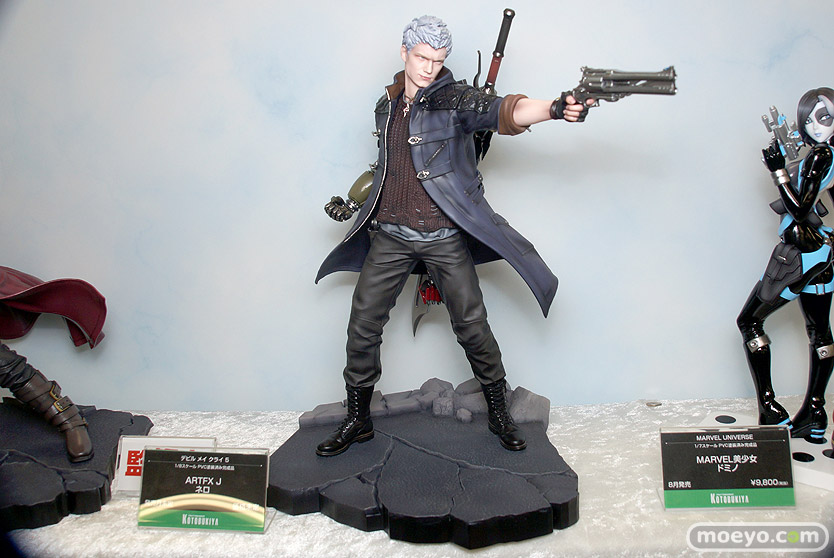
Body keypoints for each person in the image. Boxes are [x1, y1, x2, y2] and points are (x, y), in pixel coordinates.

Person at [315, 15, 591, 456]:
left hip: (443, 234)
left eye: (438, 59)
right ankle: (358, 418)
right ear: (404, 53)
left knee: (472, 326)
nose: (429, 68)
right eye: (421, 57)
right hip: (390, 234)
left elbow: (503, 110)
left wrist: (555, 108)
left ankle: (498, 411)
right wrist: (354, 202)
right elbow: (386, 166)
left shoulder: (456, 101)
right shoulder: (387, 106)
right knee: (362, 325)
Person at [736, 87, 834, 442]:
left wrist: (778, 172)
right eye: (809, 120)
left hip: (799, 255)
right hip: (822, 252)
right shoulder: (826, 154)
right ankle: (815, 412)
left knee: (749, 321)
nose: (815, 126)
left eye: (824, 117)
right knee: (819, 331)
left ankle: (769, 407)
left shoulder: (822, 154)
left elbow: (801, 209)